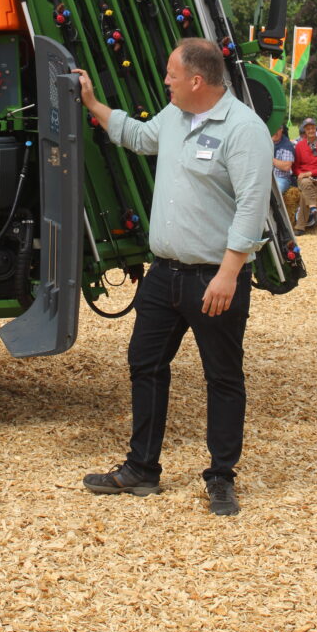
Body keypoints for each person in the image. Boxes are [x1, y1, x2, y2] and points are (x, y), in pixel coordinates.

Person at [73, 38, 273, 516]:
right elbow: (141, 137)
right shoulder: (176, 117)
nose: (166, 82)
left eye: (171, 75)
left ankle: (221, 477)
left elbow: (251, 206)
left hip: (214, 278)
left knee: (222, 376)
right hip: (164, 276)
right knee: (144, 363)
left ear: (197, 81)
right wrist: (94, 104)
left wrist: (229, 274)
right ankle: (142, 468)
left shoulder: (244, 130)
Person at [292, 118, 317, 234]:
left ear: (316, 129)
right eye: (308, 128)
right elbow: (295, 167)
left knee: (305, 193)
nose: (310, 130)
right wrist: (301, 174)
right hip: (304, 179)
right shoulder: (299, 146)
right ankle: (314, 210)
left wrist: (310, 173)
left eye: (313, 127)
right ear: (304, 130)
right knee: (305, 183)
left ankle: (300, 227)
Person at [271, 125, 295, 194]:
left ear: (281, 129)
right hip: (264, 177)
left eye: (277, 130)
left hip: (281, 178)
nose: (275, 132)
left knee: (274, 192)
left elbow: (286, 167)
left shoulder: (287, 145)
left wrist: (269, 157)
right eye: (273, 130)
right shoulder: (265, 141)